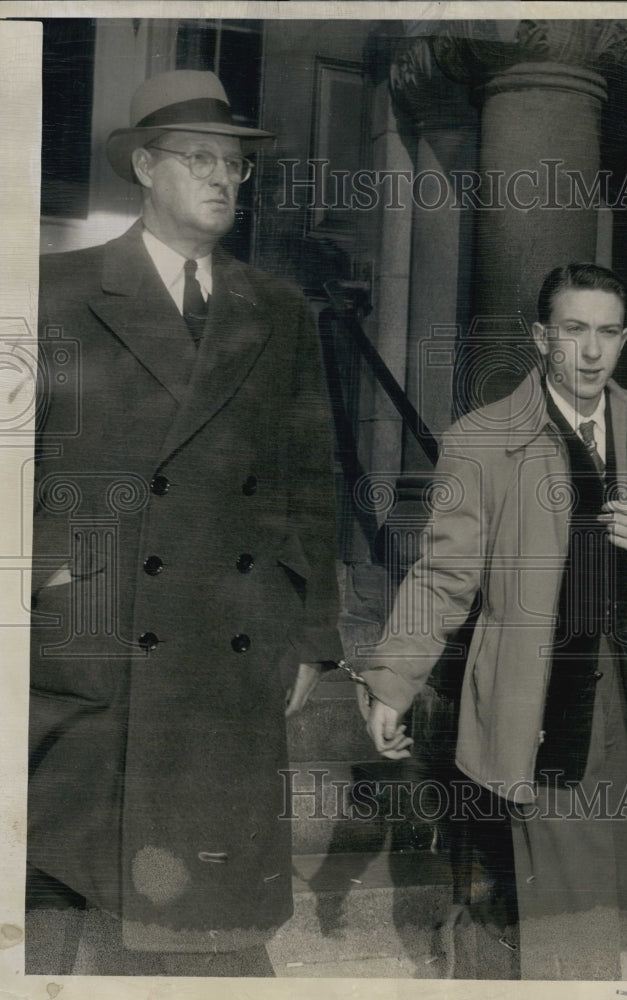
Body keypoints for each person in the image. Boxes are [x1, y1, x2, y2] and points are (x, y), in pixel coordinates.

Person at [27, 70, 342, 975]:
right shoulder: (57, 289)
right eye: (199, 158)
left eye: (235, 165)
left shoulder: (276, 308)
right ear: (143, 167)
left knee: (210, 916)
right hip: (97, 633)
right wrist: (44, 578)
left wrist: (312, 634)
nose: (221, 178)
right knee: (64, 902)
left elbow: (306, 483)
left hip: (233, 644)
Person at [357, 262, 627, 979]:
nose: (590, 351)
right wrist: (392, 681)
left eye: (606, 333)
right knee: (571, 922)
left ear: (622, 340)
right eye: (573, 331)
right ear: (539, 338)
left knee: (605, 895)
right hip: (543, 707)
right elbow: (442, 576)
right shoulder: (482, 441)